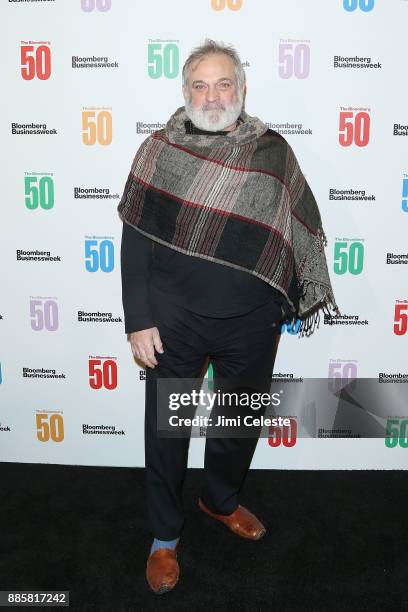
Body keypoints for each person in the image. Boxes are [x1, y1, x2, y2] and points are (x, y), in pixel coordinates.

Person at [118, 38, 340, 595]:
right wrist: (138, 319)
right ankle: (164, 537)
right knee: (166, 435)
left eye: (223, 84)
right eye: (200, 85)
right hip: (173, 323)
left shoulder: (273, 152)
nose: (212, 96)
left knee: (236, 426)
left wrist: (280, 302)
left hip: (251, 322)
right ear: (185, 92)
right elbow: (133, 243)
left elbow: (295, 231)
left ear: (241, 90)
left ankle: (219, 501)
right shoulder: (156, 151)